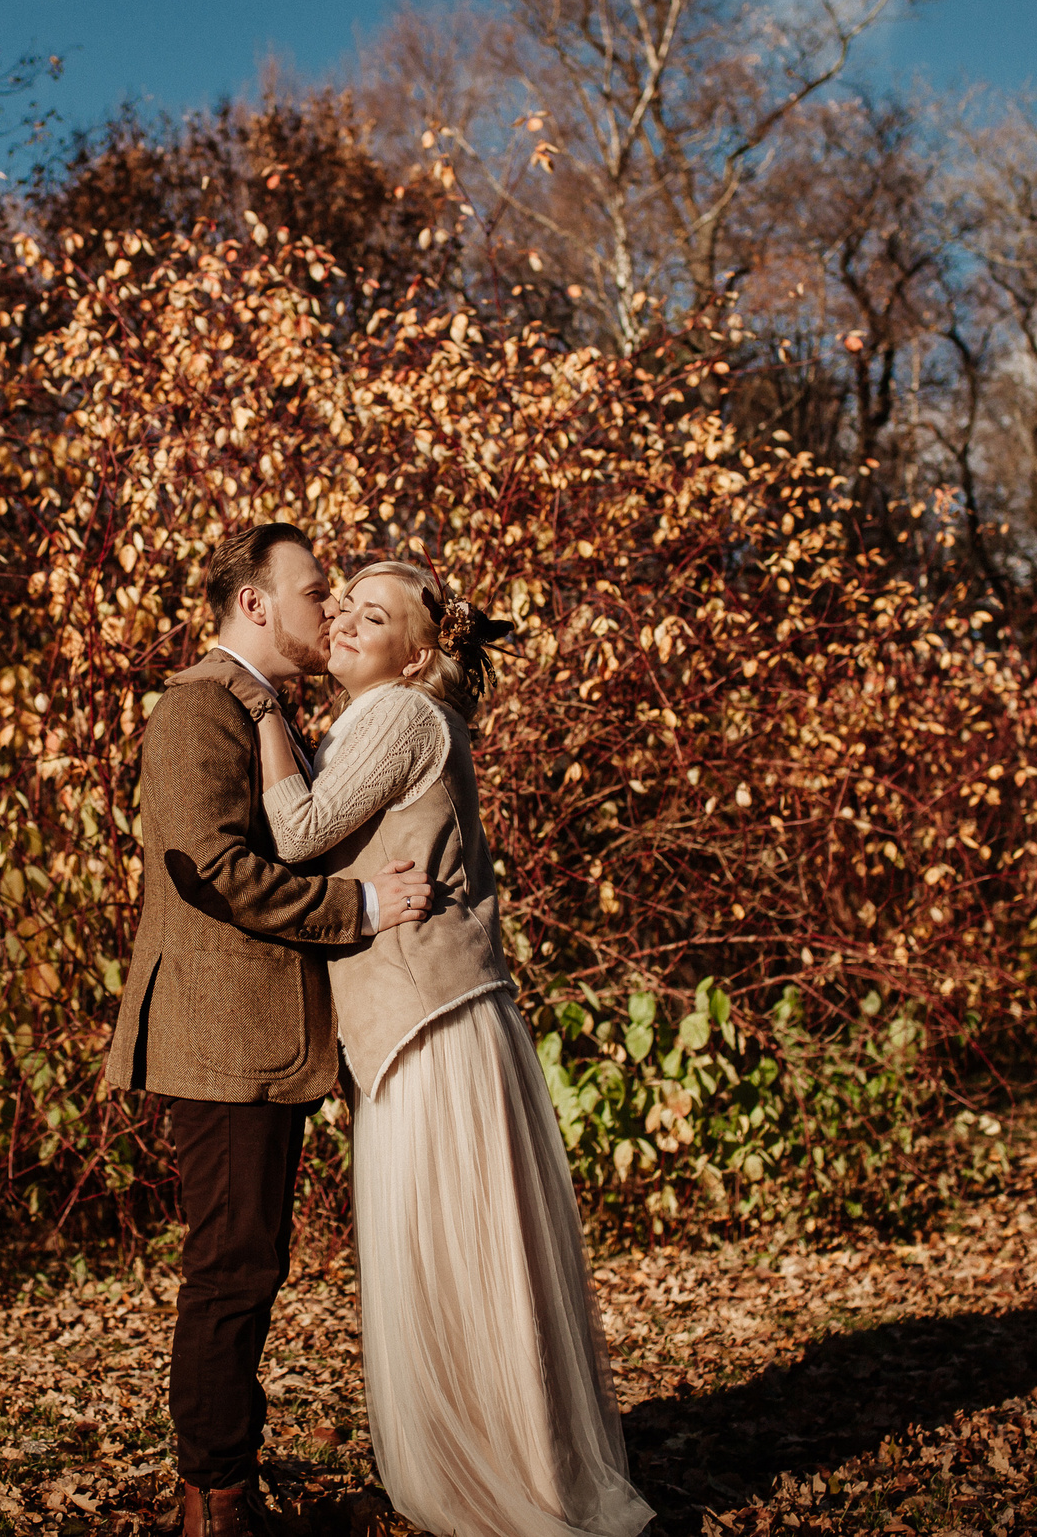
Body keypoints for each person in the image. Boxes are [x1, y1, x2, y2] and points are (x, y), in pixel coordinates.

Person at [256, 561, 653, 1537]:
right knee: (460, 1262)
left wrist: (256, 700)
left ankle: (488, 1483)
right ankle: (506, 1461)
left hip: (425, 1027)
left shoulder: (397, 716)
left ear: (420, 652)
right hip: (436, 1018)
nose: (345, 622)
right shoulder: (394, 721)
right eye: (342, 606)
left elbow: (298, 831)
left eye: (373, 615)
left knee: (444, 1262)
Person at [102, 523, 435, 1537]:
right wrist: (363, 910)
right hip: (218, 1035)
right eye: (310, 590)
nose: (325, 609)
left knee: (249, 1259)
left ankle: (224, 1474)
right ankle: (214, 1499)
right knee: (234, 1265)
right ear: (254, 603)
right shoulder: (195, 709)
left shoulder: (259, 711)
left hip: (257, 1037)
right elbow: (208, 869)